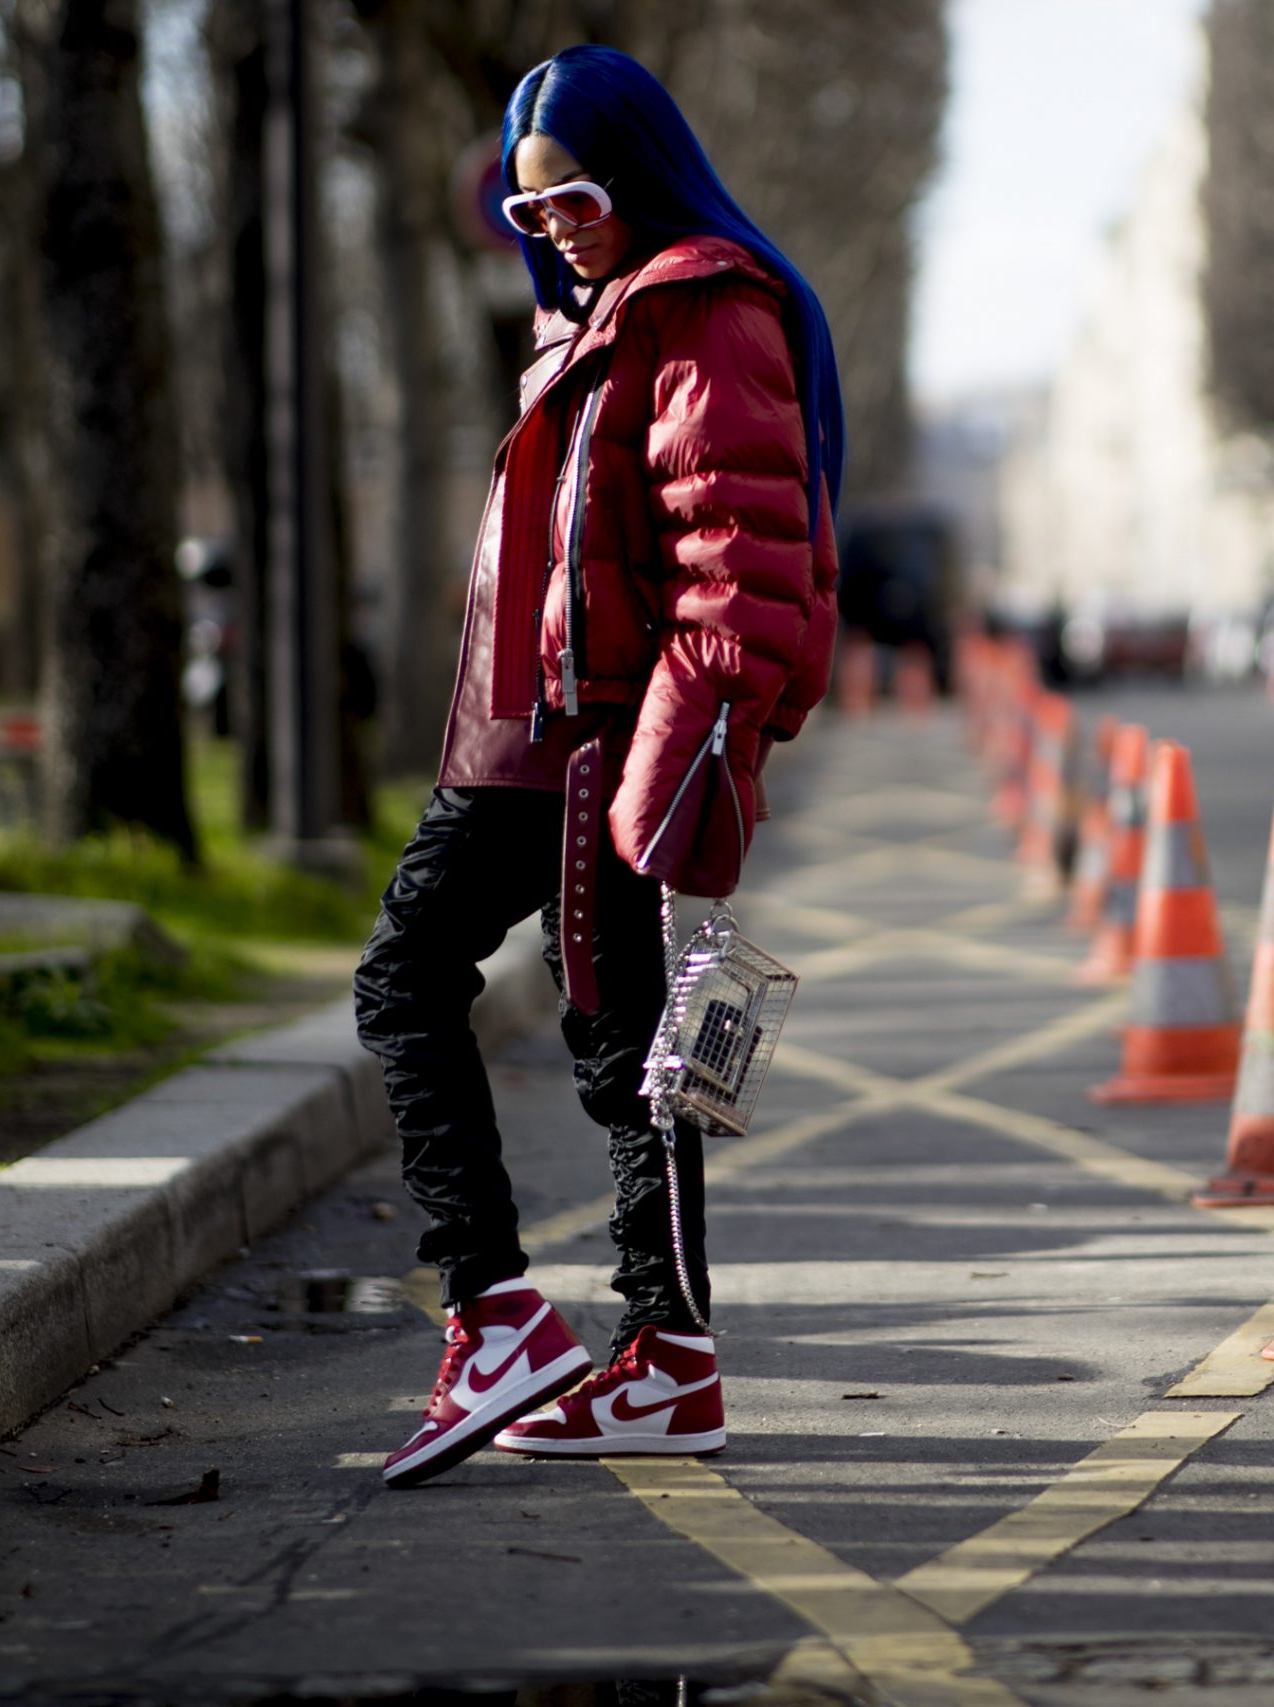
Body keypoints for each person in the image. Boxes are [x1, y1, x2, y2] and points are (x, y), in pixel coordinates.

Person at [355, 44, 841, 1488]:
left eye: (572, 193)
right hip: (554, 742)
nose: (553, 223)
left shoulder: (698, 306)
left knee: (407, 981)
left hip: (571, 749)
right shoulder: (611, 317)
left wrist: (685, 754)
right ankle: (665, 1358)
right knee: (628, 1046)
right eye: (529, 211)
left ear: (638, 165)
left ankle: (498, 1316)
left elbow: (742, 563)